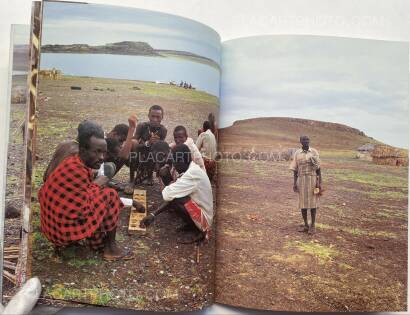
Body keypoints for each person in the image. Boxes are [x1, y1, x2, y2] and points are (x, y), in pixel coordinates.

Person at [38, 121, 133, 260]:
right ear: (82, 149)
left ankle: (94, 243)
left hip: (50, 227)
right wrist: (98, 184)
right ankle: (111, 249)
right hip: (60, 233)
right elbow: (83, 212)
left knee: (99, 195)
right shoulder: (77, 169)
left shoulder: (72, 160)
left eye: (103, 153)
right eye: (97, 152)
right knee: (110, 195)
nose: (101, 158)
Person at [140, 144, 213, 242]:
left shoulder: (192, 173)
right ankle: (192, 225)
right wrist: (153, 215)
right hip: (201, 213)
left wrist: (170, 183)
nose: (174, 165)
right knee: (177, 197)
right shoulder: (192, 169)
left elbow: (167, 195)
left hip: (205, 221)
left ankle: (199, 232)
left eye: (175, 162)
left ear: (182, 161)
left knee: (178, 198)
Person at [43, 115, 138, 181]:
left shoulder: (64, 144)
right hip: (64, 194)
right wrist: (132, 129)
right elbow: (123, 156)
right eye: (121, 141)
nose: (101, 157)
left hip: (50, 187)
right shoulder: (80, 153)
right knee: (108, 168)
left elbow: (46, 175)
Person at [289, 135, 322, 234]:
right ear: (300, 141)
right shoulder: (297, 153)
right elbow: (295, 169)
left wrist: (319, 183)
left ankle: (313, 225)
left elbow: (319, 169)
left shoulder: (314, 152)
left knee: (313, 204)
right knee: (303, 204)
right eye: (304, 140)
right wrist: (295, 183)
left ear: (309, 141)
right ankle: (306, 225)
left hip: (312, 179)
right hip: (301, 180)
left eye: (307, 139)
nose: (306, 141)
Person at [129, 105, 167, 187]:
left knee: (160, 151)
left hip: (152, 155)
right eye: (152, 116)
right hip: (139, 153)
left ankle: (150, 176)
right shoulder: (142, 126)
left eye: (158, 117)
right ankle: (132, 179)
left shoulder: (163, 130)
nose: (155, 119)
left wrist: (156, 144)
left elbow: (160, 149)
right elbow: (134, 144)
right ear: (148, 116)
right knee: (134, 143)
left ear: (162, 117)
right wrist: (148, 143)